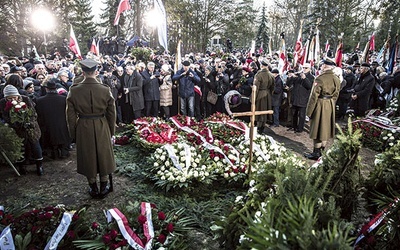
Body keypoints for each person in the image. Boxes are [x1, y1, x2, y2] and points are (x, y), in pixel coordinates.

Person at [66, 58, 116, 199]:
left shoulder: (74, 91)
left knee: (88, 155)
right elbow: (112, 113)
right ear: (96, 72)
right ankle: (104, 184)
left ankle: (93, 186)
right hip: (101, 124)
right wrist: (112, 131)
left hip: (83, 125)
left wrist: (73, 133)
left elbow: (70, 116)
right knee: (104, 153)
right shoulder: (105, 90)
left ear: (83, 72)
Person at [0, 85, 44, 175]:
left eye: (14, 97)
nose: (13, 100)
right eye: (9, 98)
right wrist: (14, 123)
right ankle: (22, 166)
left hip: (31, 127)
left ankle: (39, 166)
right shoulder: (3, 103)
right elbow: (5, 115)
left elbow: (33, 113)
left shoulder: (26, 99)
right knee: (21, 147)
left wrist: (28, 122)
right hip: (17, 129)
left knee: (35, 145)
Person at [304, 58, 340, 160]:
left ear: (324, 66)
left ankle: (316, 153)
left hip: (320, 104)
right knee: (325, 129)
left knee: (317, 129)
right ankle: (322, 152)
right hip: (330, 104)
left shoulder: (320, 78)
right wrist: (330, 104)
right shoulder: (336, 78)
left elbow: (314, 96)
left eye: (322, 65)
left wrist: (309, 111)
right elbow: (336, 94)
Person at [36, 79, 71, 159]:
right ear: (56, 89)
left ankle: (54, 153)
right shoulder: (63, 99)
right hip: (62, 124)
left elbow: (39, 115)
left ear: (46, 89)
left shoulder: (40, 101)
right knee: (63, 139)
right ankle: (63, 153)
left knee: (52, 142)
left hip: (48, 126)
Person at [253, 59, 275, 134]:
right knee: (265, 112)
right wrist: (269, 94)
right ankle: (262, 127)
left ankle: (259, 128)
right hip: (267, 94)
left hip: (260, 94)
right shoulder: (271, 75)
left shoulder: (259, 75)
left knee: (259, 111)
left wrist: (253, 98)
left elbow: (255, 88)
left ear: (261, 65)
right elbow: (273, 87)